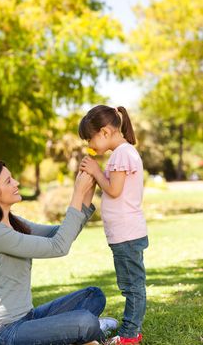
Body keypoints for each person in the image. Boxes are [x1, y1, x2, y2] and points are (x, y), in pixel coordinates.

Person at [0, 160, 118, 345]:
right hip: (1, 332)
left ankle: (79, 332)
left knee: (93, 295)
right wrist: (77, 193)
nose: (16, 183)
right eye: (8, 181)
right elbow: (59, 246)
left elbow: (62, 233)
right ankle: (89, 333)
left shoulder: (13, 222)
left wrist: (86, 192)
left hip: (27, 318)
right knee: (85, 321)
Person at [79, 105, 149, 345]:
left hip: (127, 234)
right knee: (129, 284)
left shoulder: (121, 153)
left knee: (132, 286)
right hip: (123, 234)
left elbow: (114, 190)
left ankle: (130, 335)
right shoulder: (121, 153)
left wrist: (97, 171)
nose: (89, 143)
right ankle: (131, 328)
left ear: (105, 132)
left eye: (90, 137)